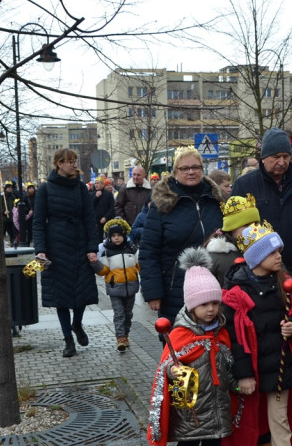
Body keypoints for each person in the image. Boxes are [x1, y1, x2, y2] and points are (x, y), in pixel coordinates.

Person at [221, 223, 292, 446]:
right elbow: (235, 339)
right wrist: (244, 374)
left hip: (279, 368)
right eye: (273, 252)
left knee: (280, 422)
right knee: (248, 419)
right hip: (254, 368)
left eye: (279, 251)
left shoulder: (286, 285)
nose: (279, 256)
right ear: (257, 257)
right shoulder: (237, 294)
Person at [148, 248, 236, 446]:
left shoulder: (221, 330)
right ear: (191, 305)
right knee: (191, 443)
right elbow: (165, 366)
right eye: (204, 304)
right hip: (192, 406)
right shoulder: (180, 334)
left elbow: (228, 363)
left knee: (213, 445)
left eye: (215, 303)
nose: (211, 309)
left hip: (218, 403)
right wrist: (171, 371)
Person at [139, 146, 226, 323]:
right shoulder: (163, 202)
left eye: (196, 167)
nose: (191, 172)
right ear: (175, 171)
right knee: (179, 343)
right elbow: (149, 249)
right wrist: (153, 292)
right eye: (185, 168)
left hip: (214, 284)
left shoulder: (216, 199)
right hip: (176, 288)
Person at [33, 148, 100, 358]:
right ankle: (68, 340)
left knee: (81, 293)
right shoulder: (45, 189)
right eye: (69, 161)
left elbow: (90, 219)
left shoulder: (81, 188)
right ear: (58, 163)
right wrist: (41, 250)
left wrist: (92, 247)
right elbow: (38, 222)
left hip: (80, 246)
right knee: (60, 297)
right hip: (56, 247)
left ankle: (77, 324)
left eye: (75, 160)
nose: (74, 164)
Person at [231, 128, 292, 281]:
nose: (281, 162)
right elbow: (236, 230)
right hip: (260, 275)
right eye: (276, 157)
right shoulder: (244, 185)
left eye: (286, 156)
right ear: (263, 157)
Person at [93, 218, 140, 351]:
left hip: (131, 287)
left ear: (124, 235)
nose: (117, 238)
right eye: (113, 236)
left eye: (119, 235)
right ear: (109, 237)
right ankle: (120, 338)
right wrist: (95, 263)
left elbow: (140, 265)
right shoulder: (106, 251)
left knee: (128, 314)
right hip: (114, 288)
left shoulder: (132, 249)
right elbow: (103, 271)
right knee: (119, 313)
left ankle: (125, 334)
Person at [204, 195, 261, 284]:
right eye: (246, 225)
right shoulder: (216, 257)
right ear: (232, 228)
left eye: (256, 224)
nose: (253, 229)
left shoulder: (264, 249)